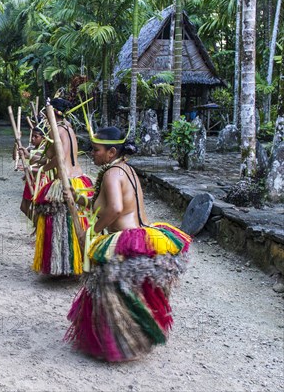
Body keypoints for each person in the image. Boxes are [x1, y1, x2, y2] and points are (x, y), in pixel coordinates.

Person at [64, 126, 191, 362]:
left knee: (109, 290)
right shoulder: (125, 169)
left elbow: (114, 209)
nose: (92, 153)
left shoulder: (113, 173)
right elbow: (100, 203)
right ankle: (131, 337)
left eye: (96, 150)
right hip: (143, 233)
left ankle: (118, 341)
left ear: (111, 151)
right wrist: (77, 197)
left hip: (125, 239)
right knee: (126, 294)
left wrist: (92, 232)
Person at [31, 98, 94, 276]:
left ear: (53, 114)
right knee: (77, 223)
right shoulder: (69, 129)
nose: (43, 116)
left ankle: (64, 265)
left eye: (45, 113)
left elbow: (56, 159)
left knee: (59, 223)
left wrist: (40, 168)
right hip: (80, 179)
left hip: (66, 182)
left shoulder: (56, 130)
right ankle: (78, 262)